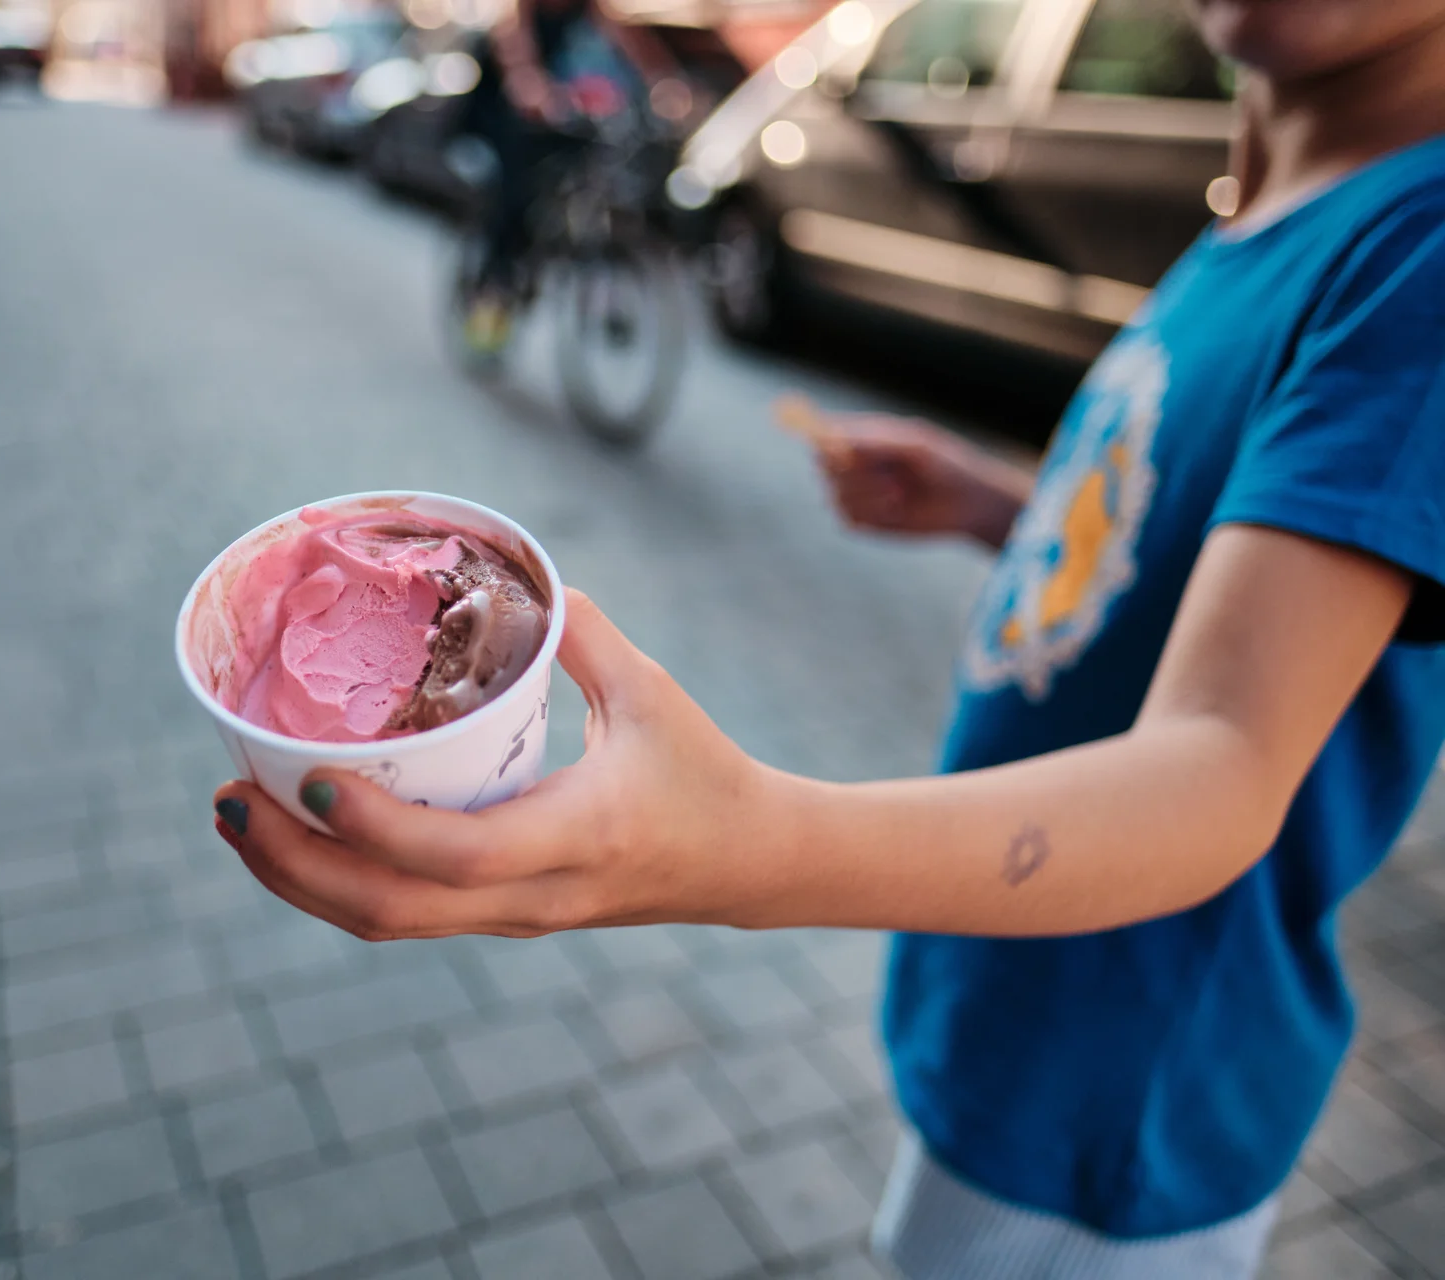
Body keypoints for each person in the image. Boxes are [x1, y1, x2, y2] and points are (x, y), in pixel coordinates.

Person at [211, 0, 1445, 1275]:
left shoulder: (1424, 255)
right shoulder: (1272, 188)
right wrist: (995, 506)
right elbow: (1233, 555)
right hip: (1019, 1005)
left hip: (1124, 1090)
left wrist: (740, 845)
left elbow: (1224, 763)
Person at [460, 0, 681, 353]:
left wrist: (663, 83)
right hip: (512, 112)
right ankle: (493, 290)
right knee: (516, 195)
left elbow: (632, 43)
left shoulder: (590, 8)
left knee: (595, 166)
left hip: (564, 115)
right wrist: (529, 86)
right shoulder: (521, 11)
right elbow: (516, 50)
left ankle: (571, 243)